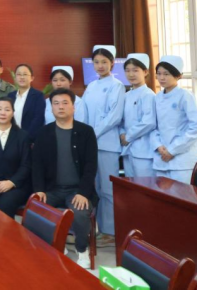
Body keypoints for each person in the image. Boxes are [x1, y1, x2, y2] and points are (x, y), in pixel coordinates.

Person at [33, 88, 98, 270]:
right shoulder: (44, 132)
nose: (60, 107)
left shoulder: (86, 132)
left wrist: (83, 193)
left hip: (77, 190)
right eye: (56, 103)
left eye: (65, 103)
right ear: (51, 108)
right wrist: (39, 190)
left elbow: (91, 165)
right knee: (35, 209)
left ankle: (82, 249)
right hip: (52, 189)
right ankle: (54, 245)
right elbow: (36, 164)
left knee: (79, 211)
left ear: (73, 107)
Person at [81, 45, 125, 244]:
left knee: (108, 189)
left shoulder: (117, 86)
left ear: (112, 63)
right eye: (96, 62)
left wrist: (92, 133)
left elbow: (114, 117)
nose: (100, 66)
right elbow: (83, 112)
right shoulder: (91, 86)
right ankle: (100, 229)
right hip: (90, 144)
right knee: (96, 189)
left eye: (104, 62)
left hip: (107, 144)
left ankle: (112, 232)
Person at [151, 55, 197, 181]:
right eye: (159, 74)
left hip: (183, 161)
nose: (161, 78)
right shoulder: (157, 97)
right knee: (160, 193)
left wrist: (172, 150)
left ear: (178, 76)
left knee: (184, 193)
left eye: (166, 74)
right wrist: (158, 145)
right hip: (162, 157)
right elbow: (153, 126)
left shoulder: (185, 96)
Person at [119, 54, 157, 178]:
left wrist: (128, 136)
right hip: (128, 149)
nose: (131, 74)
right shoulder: (126, 96)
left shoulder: (148, 95)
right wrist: (122, 133)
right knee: (130, 185)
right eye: (127, 70)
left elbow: (149, 122)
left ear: (145, 72)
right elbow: (121, 120)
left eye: (135, 70)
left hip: (143, 151)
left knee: (144, 185)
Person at [8, 64, 45, 142]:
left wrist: (26, 138)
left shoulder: (38, 96)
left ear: (32, 78)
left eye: (25, 74)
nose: (22, 77)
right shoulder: (10, 96)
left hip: (29, 140)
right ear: (15, 78)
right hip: (11, 139)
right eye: (19, 74)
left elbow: (38, 119)